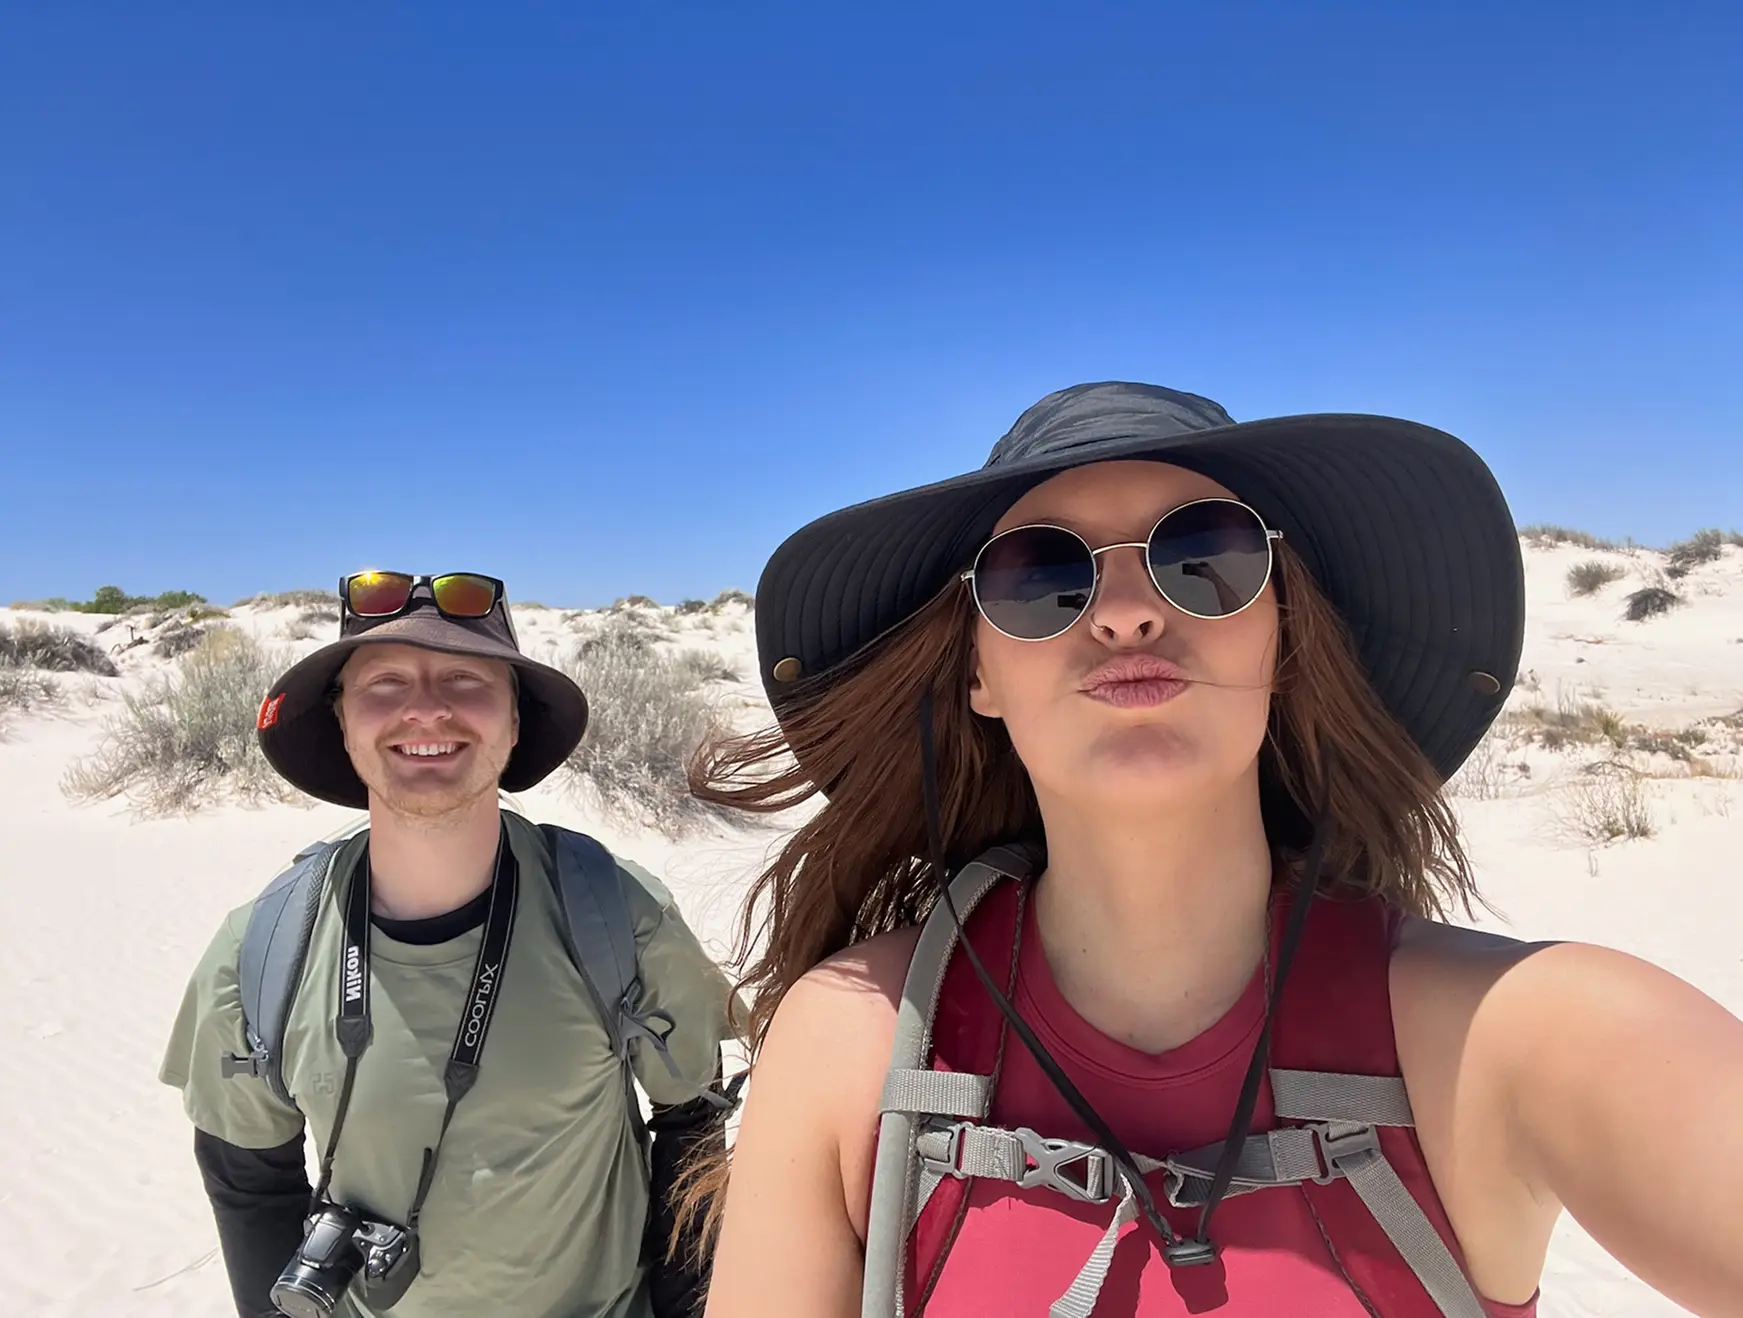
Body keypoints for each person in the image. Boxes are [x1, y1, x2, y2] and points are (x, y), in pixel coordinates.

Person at [688, 384, 1743, 1318]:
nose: (1130, 614)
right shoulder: (851, 1049)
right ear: (978, 675)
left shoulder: (1507, 1042)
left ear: (1284, 631)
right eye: (1039, 575)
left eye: (1204, 556)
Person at [160, 571, 739, 1318]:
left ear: (514, 722)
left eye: (465, 679)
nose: (426, 708)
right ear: (341, 722)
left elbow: (692, 1128)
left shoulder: (615, 913)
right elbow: (248, 1181)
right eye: (384, 682)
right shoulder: (261, 949)